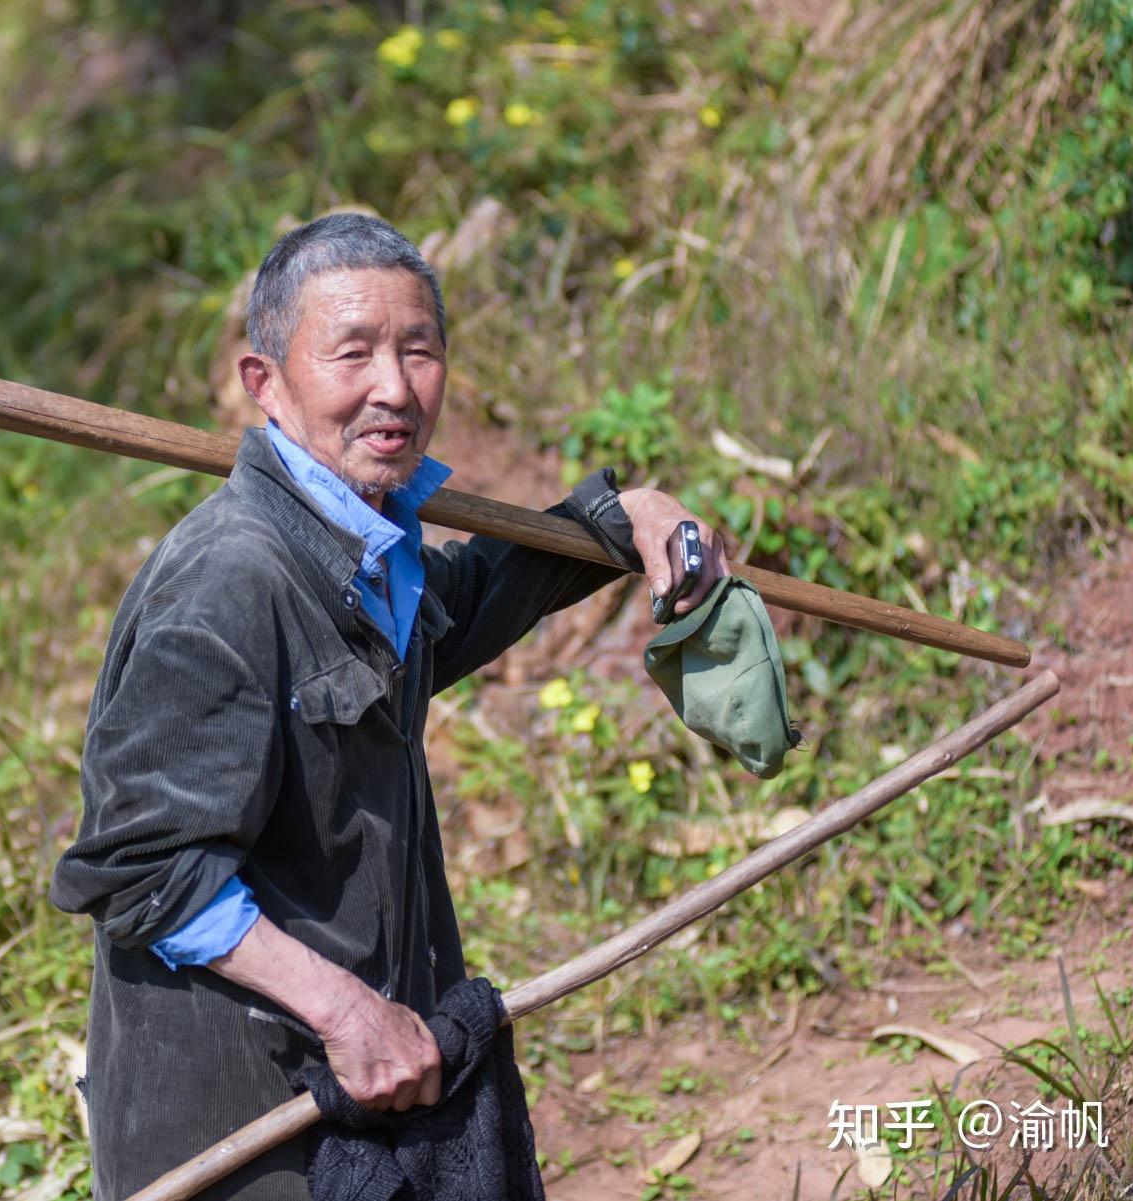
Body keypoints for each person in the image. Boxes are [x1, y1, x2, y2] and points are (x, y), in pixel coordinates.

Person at [49, 213, 728, 1201]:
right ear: (264, 381)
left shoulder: (364, 540)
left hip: (364, 1096)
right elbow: (143, 872)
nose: (395, 389)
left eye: (420, 350)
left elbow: (446, 617)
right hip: (247, 1132)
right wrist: (345, 1012)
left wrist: (616, 524)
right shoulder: (227, 585)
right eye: (352, 352)